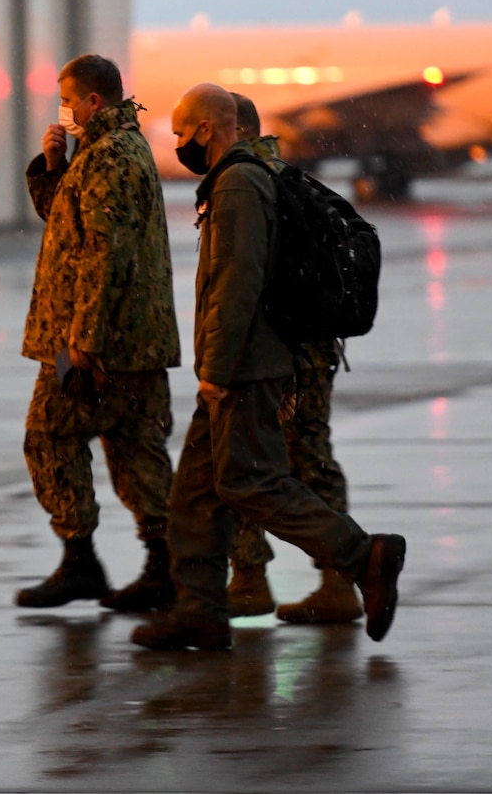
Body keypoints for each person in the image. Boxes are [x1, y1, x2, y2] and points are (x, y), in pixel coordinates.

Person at [132, 84, 405, 651]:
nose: (178, 144)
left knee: (247, 482)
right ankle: (200, 611)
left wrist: (218, 367)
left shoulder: (237, 184)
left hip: (244, 366)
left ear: (207, 129)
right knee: (194, 494)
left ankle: (362, 555)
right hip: (243, 361)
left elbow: (237, 284)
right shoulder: (244, 178)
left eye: (182, 133)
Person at [16, 53, 182, 613]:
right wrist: (54, 165)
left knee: (48, 437)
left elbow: (101, 253)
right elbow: (69, 224)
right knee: (136, 449)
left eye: (67, 99)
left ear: (91, 101)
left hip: (98, 341)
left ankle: (80, 559)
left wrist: (83, 340)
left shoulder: (110, 155)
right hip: (134, 339)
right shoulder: (110, 151)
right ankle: (168, 566)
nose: (62, 110)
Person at [224, 94, 363, 625]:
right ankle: (331, 581)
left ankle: (260, 580)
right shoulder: (291, 176)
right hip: (312, 345)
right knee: (306, 458)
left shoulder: (251, 180)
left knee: (253, 461)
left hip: (279, 349)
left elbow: (245, 277)